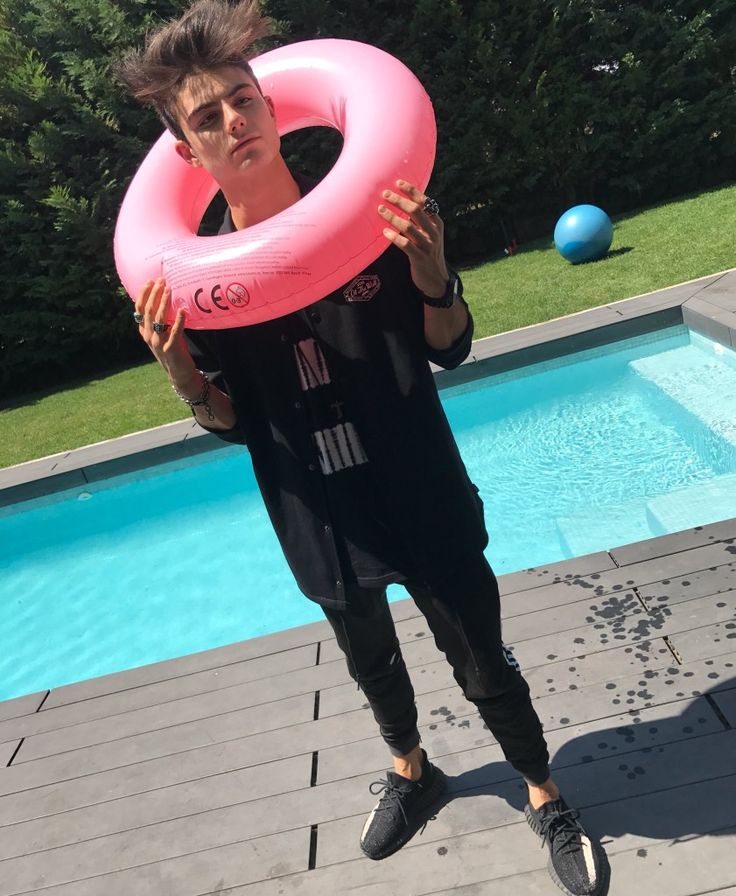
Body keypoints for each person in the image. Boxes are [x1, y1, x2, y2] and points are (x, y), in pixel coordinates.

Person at [115, 3, 608, 894]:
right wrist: (182, 370)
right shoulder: (197, 284)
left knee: (480, 656)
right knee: (367, 656)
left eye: (242, 100)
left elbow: (448, 345)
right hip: (320, 512)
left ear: (273, 108)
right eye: (206, 117)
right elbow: (230, 421)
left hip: (418, 486)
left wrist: (434, 277)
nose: (233, 121)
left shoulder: (371, 214)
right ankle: (415, 772)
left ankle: (543, 793)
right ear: (187, 154)